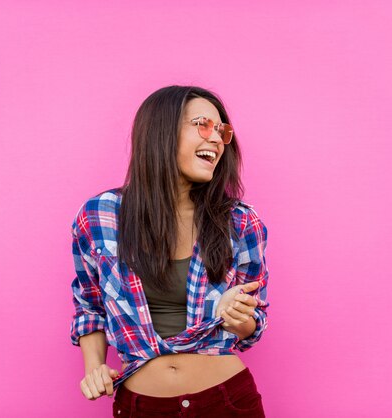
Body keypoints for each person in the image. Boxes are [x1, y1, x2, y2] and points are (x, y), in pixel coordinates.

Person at [69, 85, 269, 417]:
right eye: (203, 125)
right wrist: (94, 367)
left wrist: (239, 317)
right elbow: (89, 306)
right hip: (141, 406)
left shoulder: (240, 220)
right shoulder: (100, 216)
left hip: (227, 402)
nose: (217, 139)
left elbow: (253, 327)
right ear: (162, 131)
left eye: (222, 131)